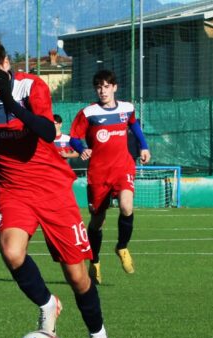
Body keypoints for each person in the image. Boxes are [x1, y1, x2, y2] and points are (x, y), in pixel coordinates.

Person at [0, 33, 112, 338]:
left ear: (5, 65)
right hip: (11, 188)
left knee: (77, 277)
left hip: (52, 189)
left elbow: (45, 130)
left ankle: (98, 337)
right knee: (12, 251)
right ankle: (46, 304)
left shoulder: (32, 88)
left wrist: (11, 104)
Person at [69, 70, 151, 284]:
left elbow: (134, 124)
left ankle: (122, 247)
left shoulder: (127, 108)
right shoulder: (88, 113)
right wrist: (82, 148)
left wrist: (144, 146)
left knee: (127, 207)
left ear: (114, 87)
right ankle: (94, 261)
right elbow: (74, 138)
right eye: (98, 87)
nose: (102, 91)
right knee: (98, 221)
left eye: (106, 86)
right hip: (98, 173)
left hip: (123, 167)